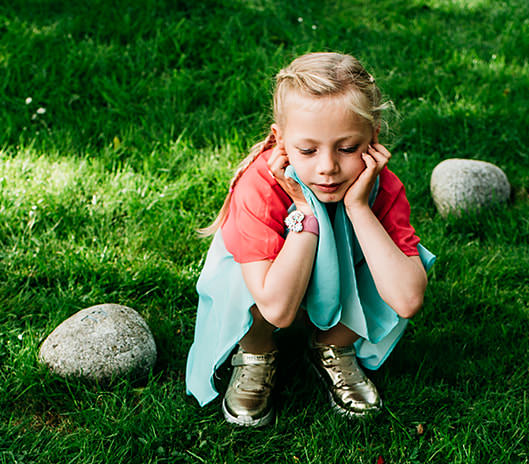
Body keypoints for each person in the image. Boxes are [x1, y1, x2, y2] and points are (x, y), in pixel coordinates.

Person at [186, 51, 435, 426]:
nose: (328, 167)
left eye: (348, 148)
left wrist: (359, 209)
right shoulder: (262, 186)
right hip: (274, 298)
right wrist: (304, 211)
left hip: (326, 290)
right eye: (307, 150)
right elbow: (277, 309)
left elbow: (408, 298)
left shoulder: (380, 188)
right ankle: (256, 351)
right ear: (280, 141)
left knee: (393, 264)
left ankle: (334, 343)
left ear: (373, 138)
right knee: (243, 275)